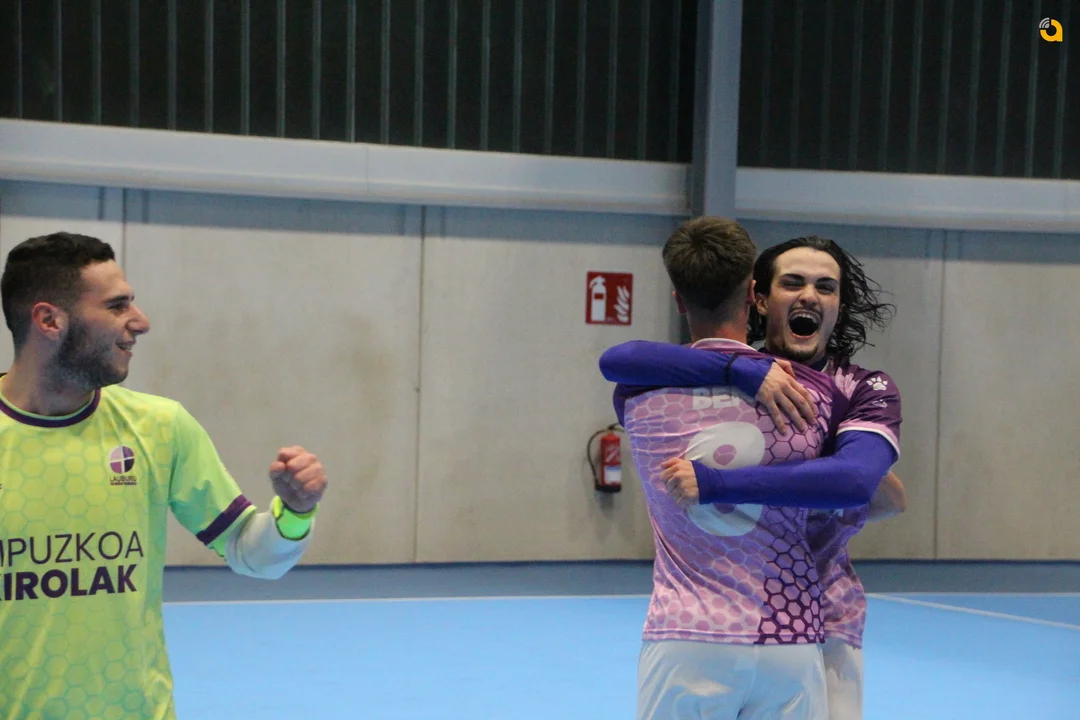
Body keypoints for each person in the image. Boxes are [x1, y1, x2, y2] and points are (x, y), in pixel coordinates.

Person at [0, 232, 328, 720]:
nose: (141, 322)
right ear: (49, 320)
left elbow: (252, 553)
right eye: (117, 306)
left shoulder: (160, 427)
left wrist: (296, 513)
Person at [601, 235, 907, 719]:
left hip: (823, 614)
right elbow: (619, 359)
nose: (810, 295)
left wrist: (718, 483)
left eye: (826, 287)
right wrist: (739, 371)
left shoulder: (859, 388)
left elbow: (865, 485)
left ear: (839, 305)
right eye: (793, 283)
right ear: (759, 298)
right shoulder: (727, 370)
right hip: (740, 612)